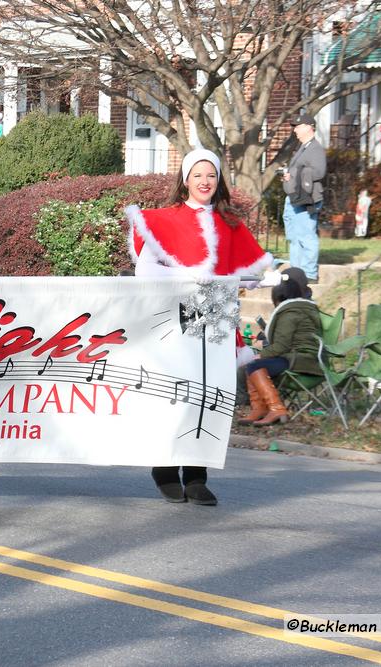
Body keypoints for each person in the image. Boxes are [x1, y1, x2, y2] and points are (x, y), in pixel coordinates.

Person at [126, 147, 271, 505]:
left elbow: (243, 272)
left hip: (217, 318)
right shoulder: (164, 219)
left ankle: (196, 476)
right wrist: (193, 275)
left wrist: (251, 278)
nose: (205, 181)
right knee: (176, 395)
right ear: (186, 180)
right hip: (175, 317)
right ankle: (164, 470)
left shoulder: (230, 223)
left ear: (218, 180)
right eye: (198, 175)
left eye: (211, 175)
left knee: (210, 398)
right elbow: (146, 270)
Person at [238, 277, 322, 426]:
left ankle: (275, 409)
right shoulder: (303, 309)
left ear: (279, 298)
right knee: (254, 364)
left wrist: (260, 354)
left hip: (300, 359)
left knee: (253, 364)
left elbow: (281, 346)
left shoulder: (289, 314)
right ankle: (260, 409)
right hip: (309, 358)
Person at [281, 113, 326, 282]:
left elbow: (319, 172)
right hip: (295, 197)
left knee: (306, 235)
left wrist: (295, 175)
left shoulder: (315, 148)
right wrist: (289, 177)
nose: (295, 131)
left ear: (309, 127)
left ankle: (309, 273)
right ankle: (297, 272)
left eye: (298, 127)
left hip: (306, 198)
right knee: (294, 237)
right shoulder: (303, 147)